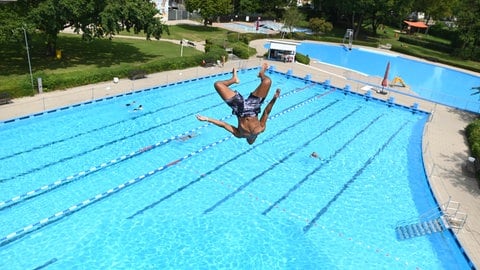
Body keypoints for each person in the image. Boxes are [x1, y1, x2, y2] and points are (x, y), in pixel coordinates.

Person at [196, 63, 280, 145]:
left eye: (250, 140)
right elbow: (266, 112)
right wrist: (274, 99)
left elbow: (224, 125)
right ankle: (261, 74)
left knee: (218, 84)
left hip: (239, 108)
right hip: (254, 106)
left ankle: (233, 79)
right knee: (267, 81)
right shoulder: (261, 129)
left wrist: (207, 119)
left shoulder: (239, 134)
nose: (252, 138)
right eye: (253, 139)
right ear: (256, 138)